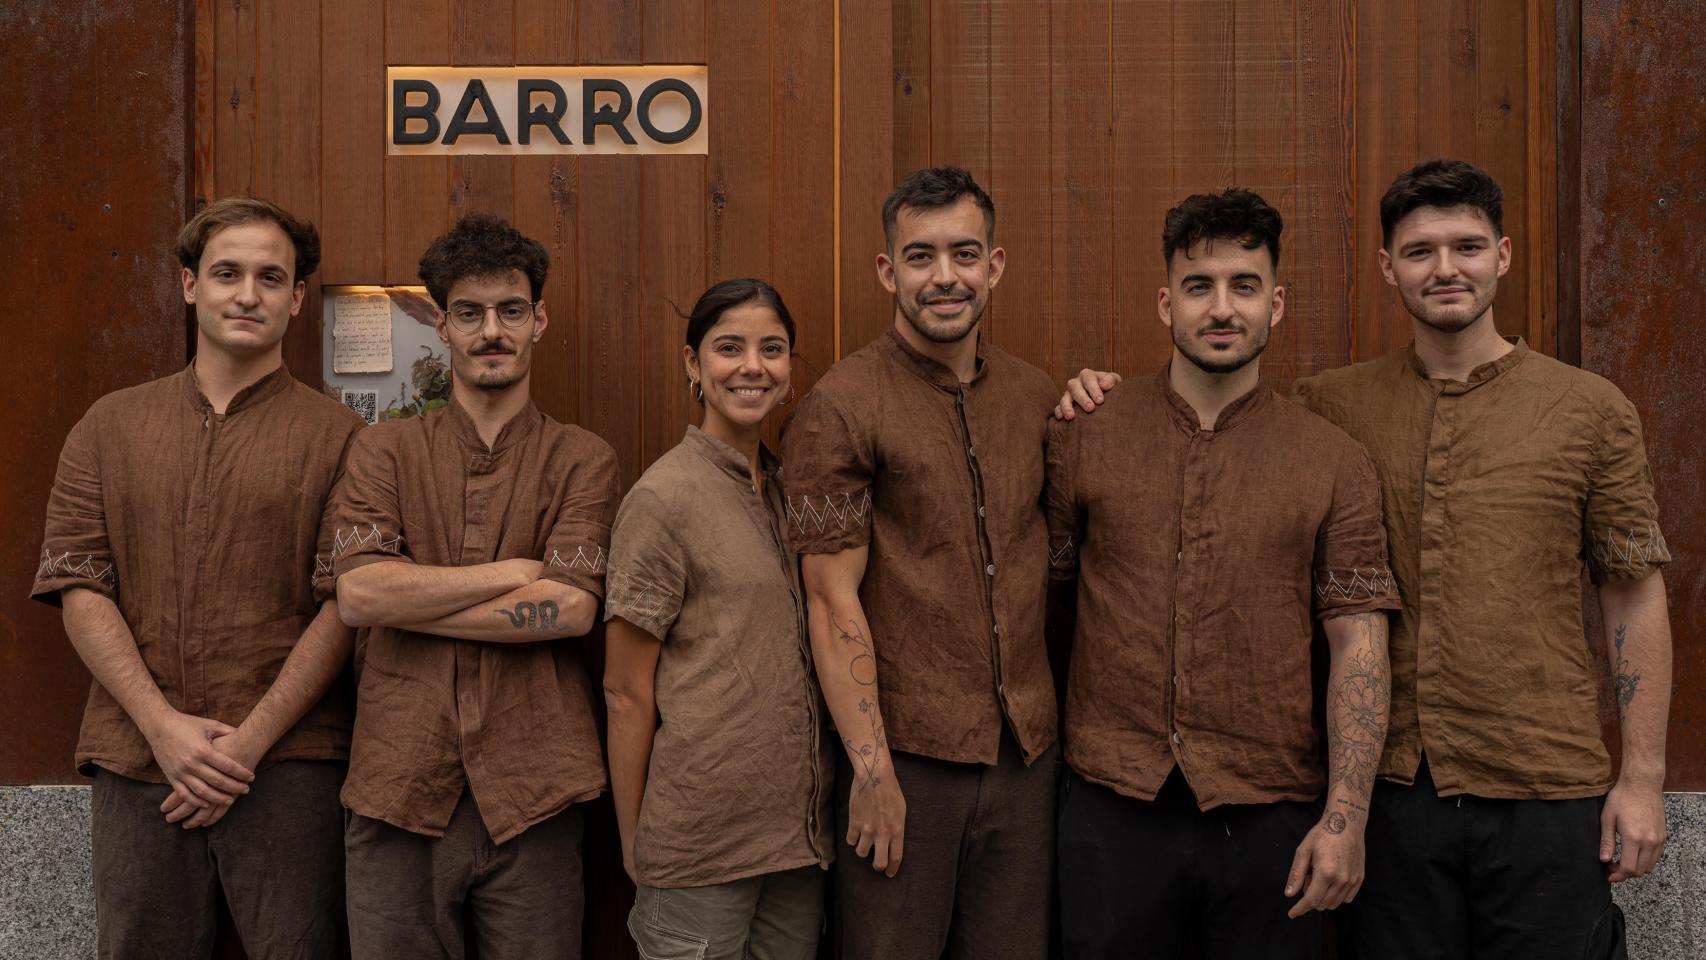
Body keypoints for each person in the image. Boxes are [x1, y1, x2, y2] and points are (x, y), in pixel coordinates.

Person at [1293, 158, 1672, 958]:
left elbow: (1633, 593)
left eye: (1467, 246)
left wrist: (1640, 780)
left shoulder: (1589, 410)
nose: (1446, 268)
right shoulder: (1332, 406)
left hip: (1546, 786)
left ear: (1502, 254)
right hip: (1392, 796)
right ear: (1388, 266)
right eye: (1421, 250)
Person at [1045, 188, 1396, 959]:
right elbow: (1051, 604)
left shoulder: (1332, 460)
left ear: (1278, 302)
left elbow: (1360, 645)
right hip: (1110, 804)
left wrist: (1346, 818)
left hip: (1272, 811)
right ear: (1165, 303)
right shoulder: (1087, 434)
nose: (1221, 307)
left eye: (1244, 285)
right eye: (1199, 286)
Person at [780, 165, 1109, 959]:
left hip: (1027, 760)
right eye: (921, 257)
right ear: (889, 271)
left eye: (965, 254)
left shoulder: (1037, 399)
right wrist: (871, 771)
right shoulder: (842, 405)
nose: (945, 277)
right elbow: (830, 602)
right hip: (906, 764)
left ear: (994, 265)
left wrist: (1103, 405)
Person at [31, 196, 360, 957]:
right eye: (227, 273)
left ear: (297, 299)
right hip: (140, 764)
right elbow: (80, 585)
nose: (248, 293)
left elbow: (346, 603)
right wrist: (162, 729)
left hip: (292, 767)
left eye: (271, 277)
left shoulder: (343, 438)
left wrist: (246, 745)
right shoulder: (107, 426)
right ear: (189, 286)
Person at [324, 214, 621, 959]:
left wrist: (408, 602)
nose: (493, 330)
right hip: (399, 788)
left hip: (535, 794)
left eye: (511, 310)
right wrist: (516, 574)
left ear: (538, 320)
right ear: (441, 325)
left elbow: (572, 609)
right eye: (470, 312)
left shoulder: (581, 459)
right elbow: (357, 596)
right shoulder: (381, 451)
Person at [603, 278, 833, 960]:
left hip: (796, 848)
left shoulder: (792, 487)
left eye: (772, 349)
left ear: (791, 369)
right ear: (693, 365)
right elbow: (624, 690)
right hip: (698, 849)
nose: (752, 366)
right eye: (729, 348)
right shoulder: (663, 498)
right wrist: (633, 841)